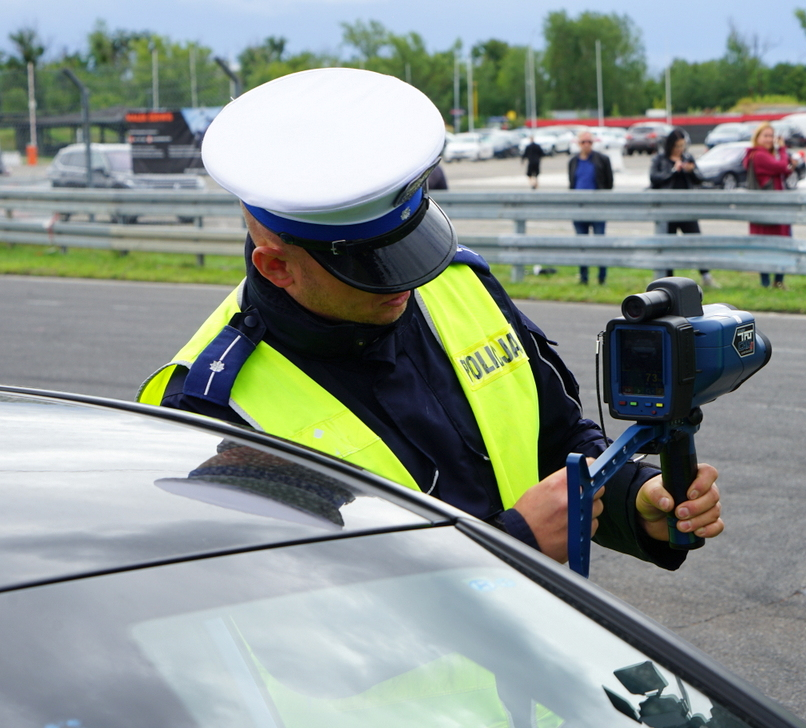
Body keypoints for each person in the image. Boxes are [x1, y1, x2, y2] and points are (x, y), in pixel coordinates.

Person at [138, 68, 724, 572]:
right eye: (372, 268)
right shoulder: (217, 405)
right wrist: (511, 544)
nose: (407, 282)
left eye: (408, 251)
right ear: (278, 266)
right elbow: (297, 611)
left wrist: (636, 497)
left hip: (541, 684)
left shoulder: (457, 285)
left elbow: (559, 442)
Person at [649, 128, 716, 288]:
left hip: (686, 209)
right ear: (670, 145)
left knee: (696, 241)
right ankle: (667, 280)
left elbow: (700, 179)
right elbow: (654, 179)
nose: (680, 149)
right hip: (667, 210)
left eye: (682, 146)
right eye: (677, 146)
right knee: (667, 245)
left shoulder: (687, 157)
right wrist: (674, 171)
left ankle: (705, 275)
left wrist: (691, 171)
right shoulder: (660, 159)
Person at [742, 123, 793, 289]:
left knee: (767, 245)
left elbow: (785, 170)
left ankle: (774, 282)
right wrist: (783, 150)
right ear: (757, 138)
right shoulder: (759, 155)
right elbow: (782, 167)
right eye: (765, 135)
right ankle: (771, 283)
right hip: (770, 208)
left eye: (771, 136)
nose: (769, 139)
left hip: (767, 207)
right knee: (776, 244)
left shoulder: (761, 155)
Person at [568, 130, 614, 285]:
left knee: (600, 244)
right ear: (578, 143)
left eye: (589, 142)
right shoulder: (573, 161)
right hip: (579, 210)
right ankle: (583, 278)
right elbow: (572, 184)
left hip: (598, 209)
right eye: (583, 142)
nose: (586, 145)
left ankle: (602, 278)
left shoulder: (602, 159)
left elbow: (609, 184)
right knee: (582, 246)